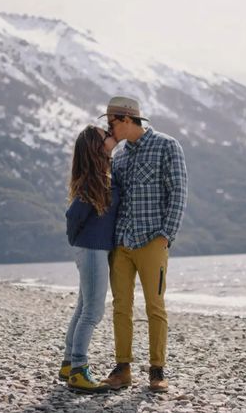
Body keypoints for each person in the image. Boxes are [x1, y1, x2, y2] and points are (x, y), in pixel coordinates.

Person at [99, 96, 188, 393]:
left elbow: (178, 192)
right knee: (120, 306)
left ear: (126, 119)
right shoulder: (120, 154)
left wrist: (166, 234)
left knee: (155, 306)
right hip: (121, 242)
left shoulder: (167, 145)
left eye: (111, 123)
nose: (109, 129)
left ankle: (157, 370)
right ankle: (122, 369)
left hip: (153, 240)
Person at [60, 125, 119, 394]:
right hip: (92, 250)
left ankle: (69, 363)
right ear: (97, 146)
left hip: (91, 250)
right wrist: (77, 241)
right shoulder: (92, 181)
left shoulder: (99, 176)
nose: (111, 136)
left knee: (83, 308)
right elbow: (73, 216)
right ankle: (79, 370)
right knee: (93, 312)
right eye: (106, 135)